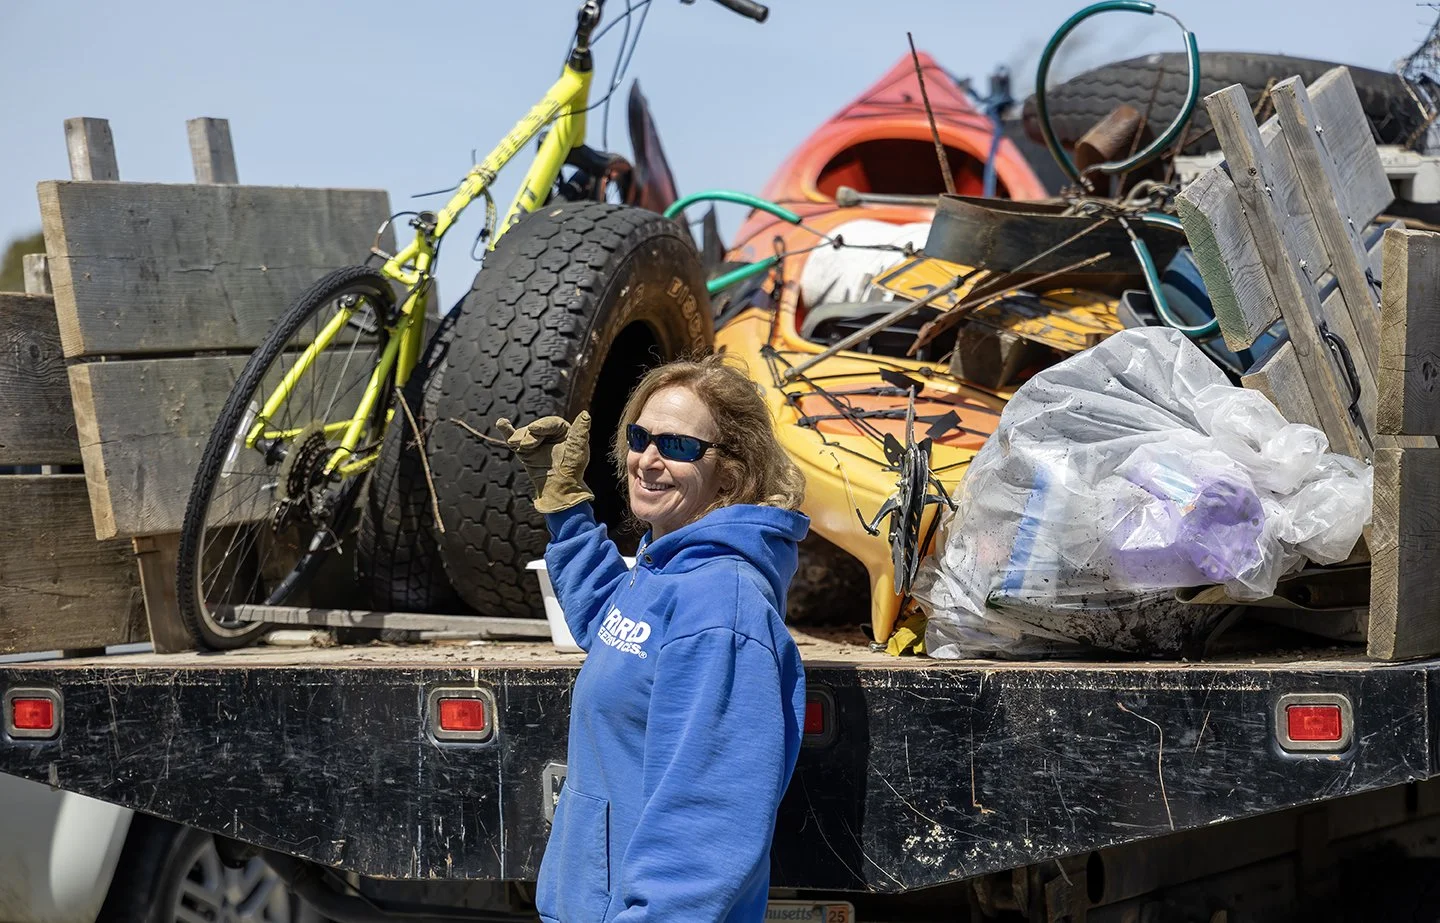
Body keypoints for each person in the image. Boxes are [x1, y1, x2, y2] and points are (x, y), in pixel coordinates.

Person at [495, 354, 809, 923]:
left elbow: (707, 823)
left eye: (679, 446)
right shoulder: (665, 570)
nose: (648, 459)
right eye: (640, 438)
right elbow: (614, 625)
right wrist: (566, 508)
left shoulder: (721, 607)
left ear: (730, 473)